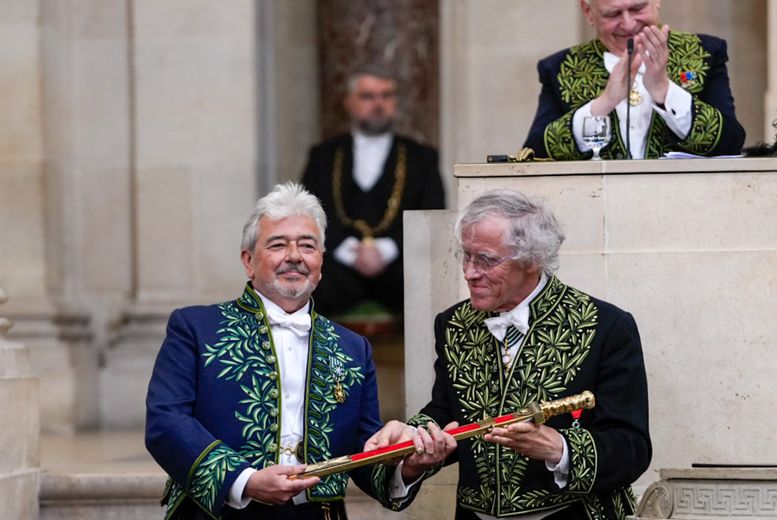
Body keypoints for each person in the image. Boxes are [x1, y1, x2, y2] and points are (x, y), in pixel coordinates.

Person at [366, 190, 652, 519]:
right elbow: (447, 412)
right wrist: (413, 442)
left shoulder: (606, 326)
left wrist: (560, 450)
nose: (469, 272)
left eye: (486, 259)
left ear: (532, 259)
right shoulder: (453, 324)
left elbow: (632, 447)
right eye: (466, 256)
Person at [146, 182, 402, 519]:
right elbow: (165, 422)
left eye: (307, 246)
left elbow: (364, 453)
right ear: (249, 261)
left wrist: (405, 465)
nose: (294, 256)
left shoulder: (353, 348)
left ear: (321, 263)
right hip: (220, 512)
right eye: (278, 244)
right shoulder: (194, 328)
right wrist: (245, 480)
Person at [301, 65, 445, 316]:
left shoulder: (421, 157)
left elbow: (433, 215)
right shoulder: (323, 156)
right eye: (368, 96)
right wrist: (348, 252)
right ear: (349, 103)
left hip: (400, 270)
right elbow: (307, 213)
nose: (378, 103)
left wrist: (387, 250)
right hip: (337, 270)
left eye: (386, 95)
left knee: (426, 283)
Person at [523, 0, 745, 160]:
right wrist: (604, 103)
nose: (628, 24)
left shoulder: (705, 52)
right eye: (612, 14)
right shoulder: (560, 67)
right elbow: (534, 155)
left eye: (637, 8)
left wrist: (664, 90)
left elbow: (731, 143)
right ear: (588, 12)